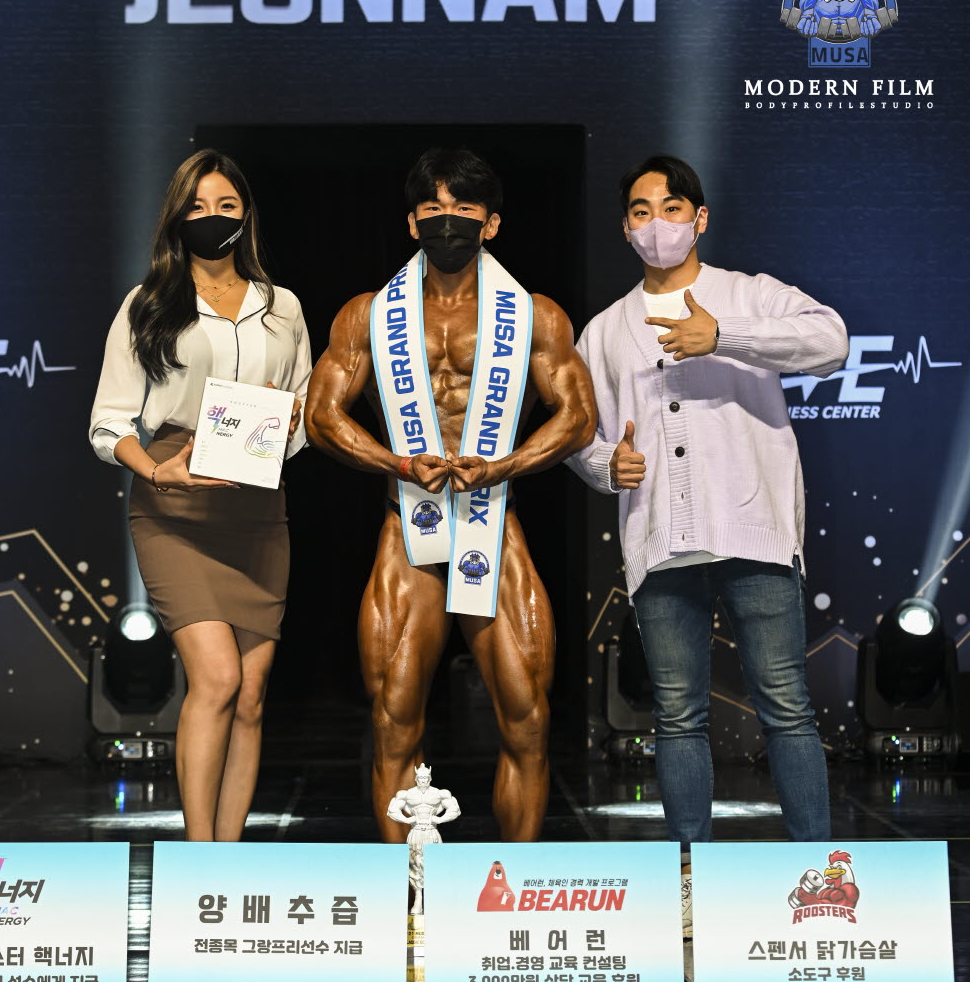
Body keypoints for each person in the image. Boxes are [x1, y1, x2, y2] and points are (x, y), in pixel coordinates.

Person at [305, 146, 595, 841]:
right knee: (392, 717)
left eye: (463, 208)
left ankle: (509, 879)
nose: (447, 221)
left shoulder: (536, 317)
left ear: (490, 223)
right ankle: (410, 888)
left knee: (527, 718)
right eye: (432, 209)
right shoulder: (366, 316)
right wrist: (394, 462)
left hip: (493, 520)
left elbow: (579, 416)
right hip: (407, 523)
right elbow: (320, 415)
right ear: (411, 223)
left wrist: (507, 464)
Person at [567, 152, 848, 846]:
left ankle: (814, 865)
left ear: (699, 218)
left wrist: (723, 335)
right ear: (624, 227)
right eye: (640, 211)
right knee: (676, 716)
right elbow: (578, 433)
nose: (656, 224)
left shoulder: (748, 294)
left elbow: (831, 342)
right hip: (661, 541)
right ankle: (688, 869)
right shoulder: (604, 329)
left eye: (670, 209)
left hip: (752, 530)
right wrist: (606, 464)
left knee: (785, 706)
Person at [90, 148, 312, 840]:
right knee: (215, 678)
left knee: (250, 696)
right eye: (197, 207)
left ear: (246, 215)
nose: (211, 218)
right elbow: (108, 423)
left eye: (225, 206)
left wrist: (292, 421)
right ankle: (198, 858)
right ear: (176, 218)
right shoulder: (148, 304)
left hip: (257, 505)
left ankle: (229, 857)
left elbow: (304, 404)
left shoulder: (282, 307)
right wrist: (157, 471)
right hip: (174, 503)